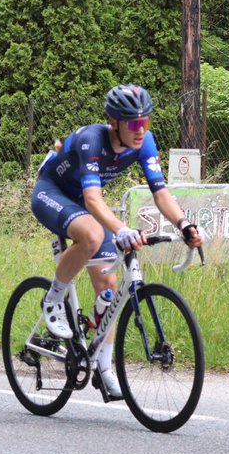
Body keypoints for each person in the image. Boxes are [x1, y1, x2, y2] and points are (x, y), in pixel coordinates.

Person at [32, 84, 204, 399]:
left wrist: (184, 223)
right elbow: (94, 200)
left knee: (109, 289)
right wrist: (121, 228)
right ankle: (53, 299)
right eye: (134, 123)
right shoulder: (91, 141)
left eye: (146, 122)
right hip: (51, 192)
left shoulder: (145, 142)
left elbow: (161, 192)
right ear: (114, 122)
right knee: (94, 234)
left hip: (83, 202)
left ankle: (103, 367)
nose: (141, 131)